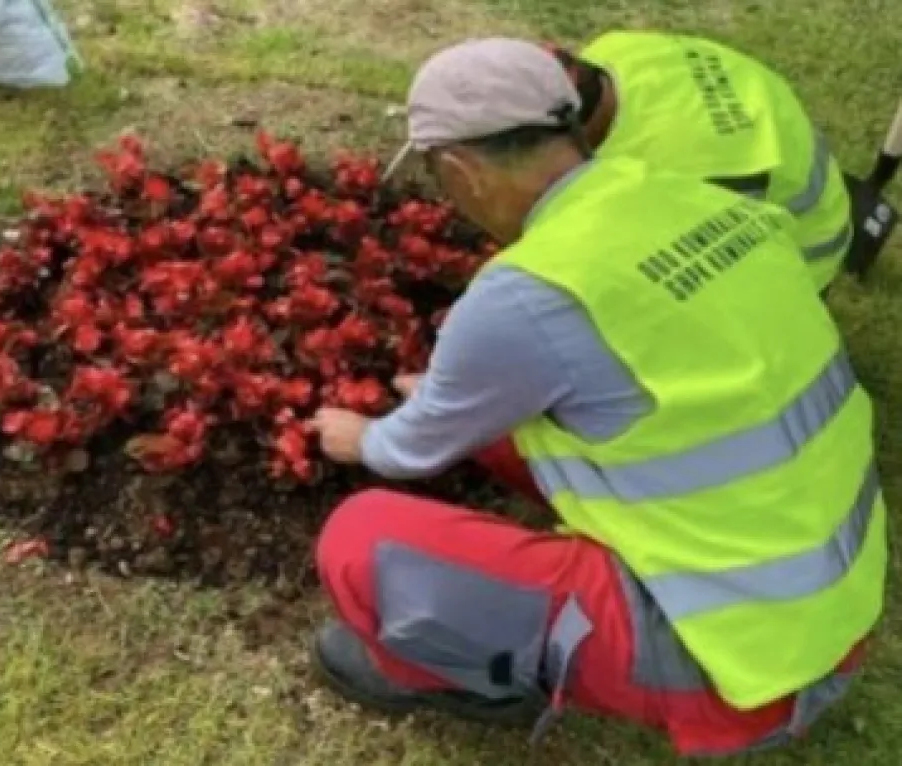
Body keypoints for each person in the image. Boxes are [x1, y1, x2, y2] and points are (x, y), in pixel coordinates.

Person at [307, 38, 887, 757]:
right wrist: (460, 394)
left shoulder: (530, 291)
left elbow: (408, 451)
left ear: (459, 170)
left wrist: (357, 435)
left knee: (362, 542)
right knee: (500, 420)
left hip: (741, 670)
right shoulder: (693, 197)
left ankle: (459, 675)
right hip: (831, 605)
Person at [537, 30, 855, 294]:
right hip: (796, 173)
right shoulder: (617, 49)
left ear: (573, 135)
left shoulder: (682, 173)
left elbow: (694, 284)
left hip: (806, 251)